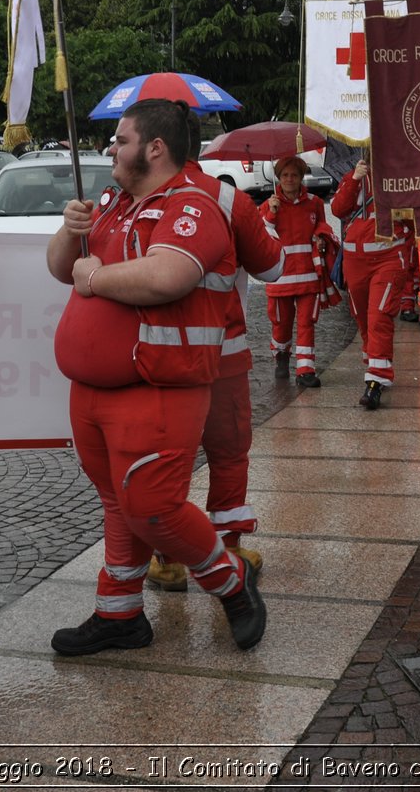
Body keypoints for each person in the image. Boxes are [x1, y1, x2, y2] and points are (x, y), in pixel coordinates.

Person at [46, 98, 265, 655]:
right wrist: (71, 235)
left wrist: (94, 278)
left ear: (155, 147)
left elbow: (169, 275)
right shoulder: (112, 202)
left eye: (120, 140)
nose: (110, 150)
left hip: (159, 386)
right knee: (118, 502)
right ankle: (118, 615)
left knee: (152, 505)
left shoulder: (192, 205)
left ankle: (230, 584)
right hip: (94, 390)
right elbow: (58, 268)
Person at [146, 118, 285, 593]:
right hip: (222, 354)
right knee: (227, 451)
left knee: (167, 458)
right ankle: (229, 544)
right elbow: (271, 267)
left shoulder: (136, 197)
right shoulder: (228, 199)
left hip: (157, 358)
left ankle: (167, 557)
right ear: (198, 147)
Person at [331, 157, 412, 410]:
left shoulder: (400, 176)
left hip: (388, 257)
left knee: (379, 315)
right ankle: (374, 360)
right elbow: (338, 209)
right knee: (362, 316)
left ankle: (377, 380)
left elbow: (414, 217)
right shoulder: (352, 177)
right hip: (356, 260)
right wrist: (355, 179)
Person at [261, 155, 329, 385]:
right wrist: (271, 213)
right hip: (280, 279)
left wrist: (321, 235)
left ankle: (305, 370)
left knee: (307, 322)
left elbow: (322, 224)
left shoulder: (315, 202)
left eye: (295, 175)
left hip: (309, 276)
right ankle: (281, 355)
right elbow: (261, 235)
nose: (290, 179)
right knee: (281, 325)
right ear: (278, 178)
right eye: (285, 175)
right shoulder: (268, 205)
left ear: (301, 177)